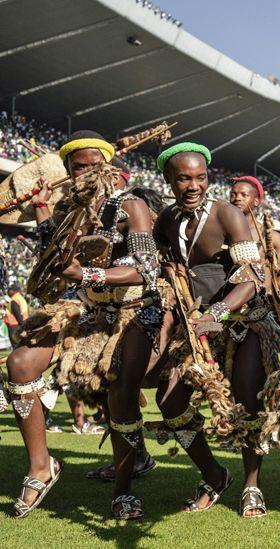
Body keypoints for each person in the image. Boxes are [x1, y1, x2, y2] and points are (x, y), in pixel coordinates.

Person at [5, 131, 162, 519]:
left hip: (133, 312)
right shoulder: (66, 213)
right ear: (69, 171)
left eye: (95, 165)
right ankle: (41, 467)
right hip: (86, 312)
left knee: (119, 393)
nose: (88, 172)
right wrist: (42, 209)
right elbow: (54, 258)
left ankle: (124, 488)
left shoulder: (131, 206)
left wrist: (86, 274)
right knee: (21, 364)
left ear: (109, 167)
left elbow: (146, 269)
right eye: (79, 167)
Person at [152, 142, 280, 518]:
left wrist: (219, 311)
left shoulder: (228, 215)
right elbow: (166, 273)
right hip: (195, 328)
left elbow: (253, 278)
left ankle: (252, 484)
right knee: (171, 401)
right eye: (184, 178)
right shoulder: (165, 222)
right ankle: (214, 473)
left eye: (201, 178)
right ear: (169, 180)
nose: (193, 186)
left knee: (245, 402)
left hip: (243, 324)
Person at [228, 175, 280, 290]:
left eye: (244, 195)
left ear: (256, 201)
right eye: (233, 195)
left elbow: (279, 276)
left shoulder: (273, 238)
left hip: (258, 302)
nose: (237, 198)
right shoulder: (222, 232)